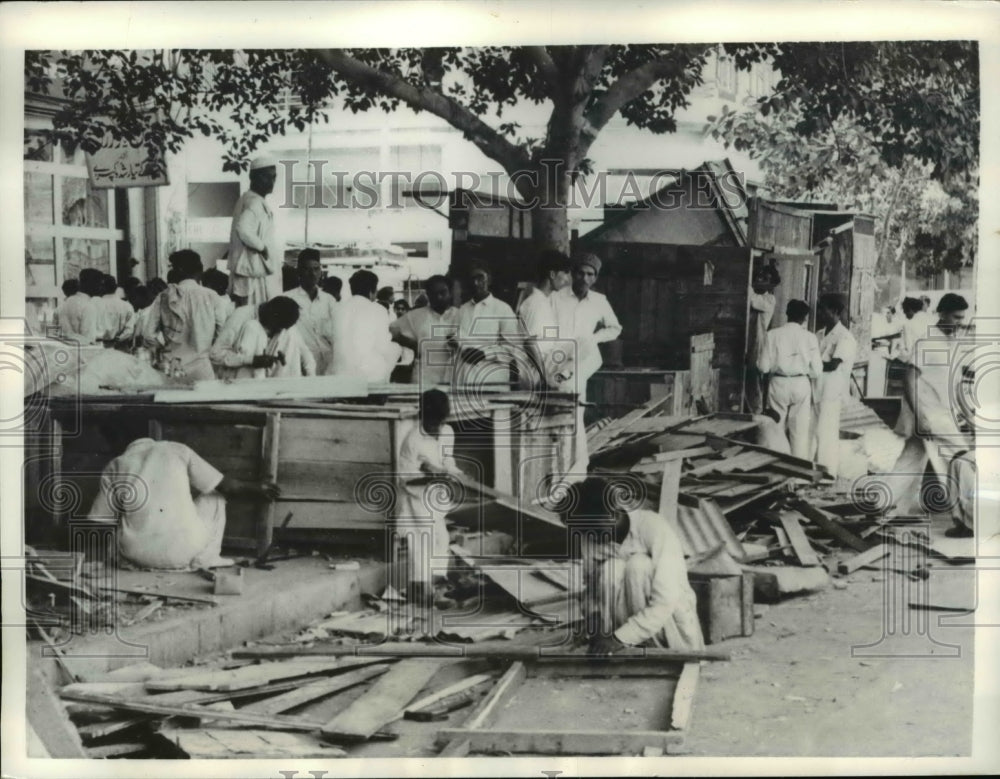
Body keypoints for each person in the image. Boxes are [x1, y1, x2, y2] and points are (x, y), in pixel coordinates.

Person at [87, 418, 280, 570]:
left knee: (120, 515)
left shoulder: (115, 464)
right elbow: (227, 487)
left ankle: (130, 560)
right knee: (215, 496)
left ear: (117, 442)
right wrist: (258, 487)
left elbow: (99, 522)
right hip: (186, 552)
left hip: (136, 555)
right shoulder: (177, 449)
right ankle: (207, 558)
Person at [562, 477, 704, 655]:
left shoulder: (653, 527)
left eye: (595, 529)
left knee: (638, 566)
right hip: (617, 635)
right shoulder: (590, 536)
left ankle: (639, 646)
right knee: (609, 569)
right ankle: (614, 648)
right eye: (583, 531)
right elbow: (591, 593)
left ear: (611, 513)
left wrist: (619, 638)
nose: (591, 538)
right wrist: (596, 628)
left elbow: (665, 600)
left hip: (667, 627)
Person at [888, 293, 973, 520]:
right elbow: (909, 379)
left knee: (910, 460)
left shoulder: (952, 343)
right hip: (929, 415)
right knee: (961, 459)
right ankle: (967, 519)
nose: (959, 323)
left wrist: (967, 415)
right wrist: (920, 417)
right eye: (956, 317)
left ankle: (885, 506)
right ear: (942, 313)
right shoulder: (927, 342)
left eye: (962, 318)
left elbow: (954, 384)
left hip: (943, 413)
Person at [552, 252, 622, 471]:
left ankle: (578, 465)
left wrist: (593, 338)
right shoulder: (557, 297)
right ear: (573, 274)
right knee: (559, 409)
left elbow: (615, 327)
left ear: (595, 278)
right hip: (560, 357)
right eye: (580, 273)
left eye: (590, 274)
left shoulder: (599, 301)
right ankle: (560, 464)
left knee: (576, 408)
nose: (584, 278)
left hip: (583, 359)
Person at [396, 389, 465, 608]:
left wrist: (454, 473)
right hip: (416, 499)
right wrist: (428, 473)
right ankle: (422, 593)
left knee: (441, 540)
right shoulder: (413, 440)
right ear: (424, 416)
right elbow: (405, 476)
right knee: (420, 543)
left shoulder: (447, 432)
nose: (436, 429)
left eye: (440, 423)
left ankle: (437, 589)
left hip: (437, 496)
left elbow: (448, 459)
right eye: (433, 424)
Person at [141, 250, 225, 381]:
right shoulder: (212, 296)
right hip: (203, 368)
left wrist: (165, 349)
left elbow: (148, 336)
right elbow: (222, 335)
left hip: (173, 367)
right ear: (199, 271)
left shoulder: (163, 296)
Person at [757, 299, 823, 459]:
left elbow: (763, 367)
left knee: (775, 429)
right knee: (800, 432)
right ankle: (798, 476)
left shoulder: (772, 335)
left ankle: (777, 470)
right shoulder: (810, 337)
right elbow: (817, 371)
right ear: (805, 317)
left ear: (787, 313)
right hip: (801, 384)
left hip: (778, 384)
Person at [452, 264, 521, 390]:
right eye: (472, 279)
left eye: (480, 278)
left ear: (489, 280)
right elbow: (455, 338)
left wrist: (485, 354)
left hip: (491, 380)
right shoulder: (462, 310)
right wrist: (455, 343)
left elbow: (512, 347)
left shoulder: (502, 309)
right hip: (464, 379)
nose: (476, 283)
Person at [210, 296, 315, 379]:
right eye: (277, 328)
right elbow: (215, 355)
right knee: (254, 327)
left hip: (267, 378)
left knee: (290, 334)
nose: (277, 332)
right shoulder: (241, 316)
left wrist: (311, 379)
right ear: (272, 318)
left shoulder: (282, 322)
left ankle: (283, 390)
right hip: (237, 378)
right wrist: (251, 360)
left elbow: (305, 353)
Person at [227, 154, 282, 306]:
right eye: (267, 177)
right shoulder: (254, 202)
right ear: (253, 177)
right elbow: (243, 229)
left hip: (250, 273)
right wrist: (262, 247)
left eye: (274, 177)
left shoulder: (247, 199)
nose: (271, 182)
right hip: (251, 274)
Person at [327, 270, 399, 382]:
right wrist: (392, 336)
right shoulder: (378, 309)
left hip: (339, 372)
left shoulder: (338, 309)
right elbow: (382, 347)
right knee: (397, 349)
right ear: (371, 291)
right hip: (368, 375)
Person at [517, 249, 574, 391]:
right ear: (552, 274)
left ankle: (559, 382)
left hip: (546, 364)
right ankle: (553, 382)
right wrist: (544, 377)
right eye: (565, 273)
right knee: (585, 345)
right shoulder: (535, 303)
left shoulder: (544, 302)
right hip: (534, 369)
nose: (567, 279)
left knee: (581, 345)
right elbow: (529, 343)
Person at [814, 293, 857, 477]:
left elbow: (832, 365)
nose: (820, 313)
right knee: (814, 432)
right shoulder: (819, 334)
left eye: (824, 309)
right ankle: (813, 471)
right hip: (817, 389)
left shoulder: (845, 338)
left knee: (827, 434)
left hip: (832, 392)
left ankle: (828, 473)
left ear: (836, 311)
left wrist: (808, 365)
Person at [390, 275, 460, 387]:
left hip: (452, 378)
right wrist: (413, 345)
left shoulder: (460, 315)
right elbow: (391, 331)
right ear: (428, 295)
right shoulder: (416, 315)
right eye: (433, 293)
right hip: (423, 379)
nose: (439, 297)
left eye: (443, 292)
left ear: (450, 293)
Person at [282, 248, 339, 374]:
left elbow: (336, 333)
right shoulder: (287, 299)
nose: (312, 273)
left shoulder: (329, 300)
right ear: (299, 272)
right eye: (307, 269)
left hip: (328, 365)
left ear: (321, 272)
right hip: (300, 366)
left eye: (316, 269)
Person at [745, 265, 780, 414]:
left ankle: (756, 414)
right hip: (745, 341)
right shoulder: (755, 295)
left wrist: (745, 282)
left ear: (771, 285)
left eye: (764, 278)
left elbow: (752, 301)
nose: (759, 279)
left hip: (757, 344)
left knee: (754, 380)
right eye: (759, 276)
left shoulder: (769, 299)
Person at [56, 268, 103, 344]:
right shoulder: (89, 307)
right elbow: (88, 340)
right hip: (83, 352)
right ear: (92, 284)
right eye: (99, 284)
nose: (101, 288)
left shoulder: (65, 303)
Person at [98, 274, 136, 347]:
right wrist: (119, 339)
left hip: (100, 346)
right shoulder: (127, 306)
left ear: (101, 288)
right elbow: (129, 329)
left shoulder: (95, 304)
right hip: (120, 346)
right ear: (115, 287)